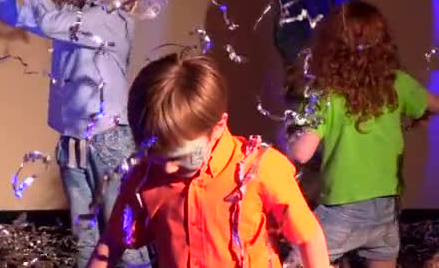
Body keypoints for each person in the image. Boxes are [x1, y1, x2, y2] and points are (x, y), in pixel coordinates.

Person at [0, 0, 166, 267]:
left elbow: (51, 22)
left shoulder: (112, 21)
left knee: (124, 237)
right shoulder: (82, 13)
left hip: (108, 142)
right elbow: (17, 17)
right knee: (84, 238)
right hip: (73, 138)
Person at [87, 53, 330, 267]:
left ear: (218, 127)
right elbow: (112, 244)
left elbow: (308, 237)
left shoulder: (261, 168)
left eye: (179, 157)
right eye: (155, 156)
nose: (168, 168)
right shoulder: (145, 178)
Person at [288, 0, 439, 267]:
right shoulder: (397, 82)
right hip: (386, 212)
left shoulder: (324, 93)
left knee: (296, 262)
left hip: (342, 214)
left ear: (329, 47)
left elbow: (301, 153)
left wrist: (288, 136)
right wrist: (422, 113)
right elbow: (434, 104)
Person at [273, 0, 371, 209]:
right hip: (312, 81)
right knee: (309, 158)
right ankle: (303, 232)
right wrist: (316, 66)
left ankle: (332, 231)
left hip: (344, 77)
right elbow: (286, 36)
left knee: (340, 155)